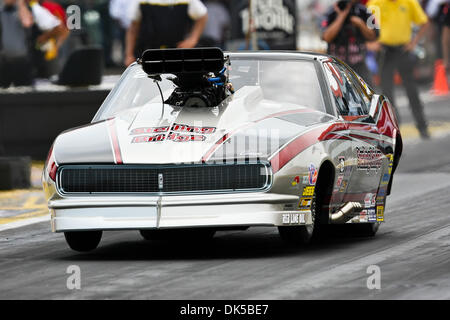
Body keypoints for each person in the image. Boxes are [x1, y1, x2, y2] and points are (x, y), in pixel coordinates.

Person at [368, 0, 430, 139]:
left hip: (403, 49)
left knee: (412, 90)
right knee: (387, 93)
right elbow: (367, 28)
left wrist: (414, 43)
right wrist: (370, 43)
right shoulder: (375, 4)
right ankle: (394, 130)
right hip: (385, 51)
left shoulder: (408, 2)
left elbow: (425, 22)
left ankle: (422, 125)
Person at [0, 0, 66, 87]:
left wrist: (42, 39)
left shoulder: (33, 9)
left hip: (26, 65)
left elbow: (58, 28)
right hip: (3, 64)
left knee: (25, 94)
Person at [125, 0, 208, 66]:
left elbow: (202, 15)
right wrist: (129, 55)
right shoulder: (140, 1)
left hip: (176, 52)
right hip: (147, 52)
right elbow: (133, 28)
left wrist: (193, 39)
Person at [322, 0, 377, 85]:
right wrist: (341, 17)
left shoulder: (363, 11)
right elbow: (326, 37)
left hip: (359, 65)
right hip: (336, 65)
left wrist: (359, 23)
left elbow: (373, 36)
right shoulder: (331, 12)